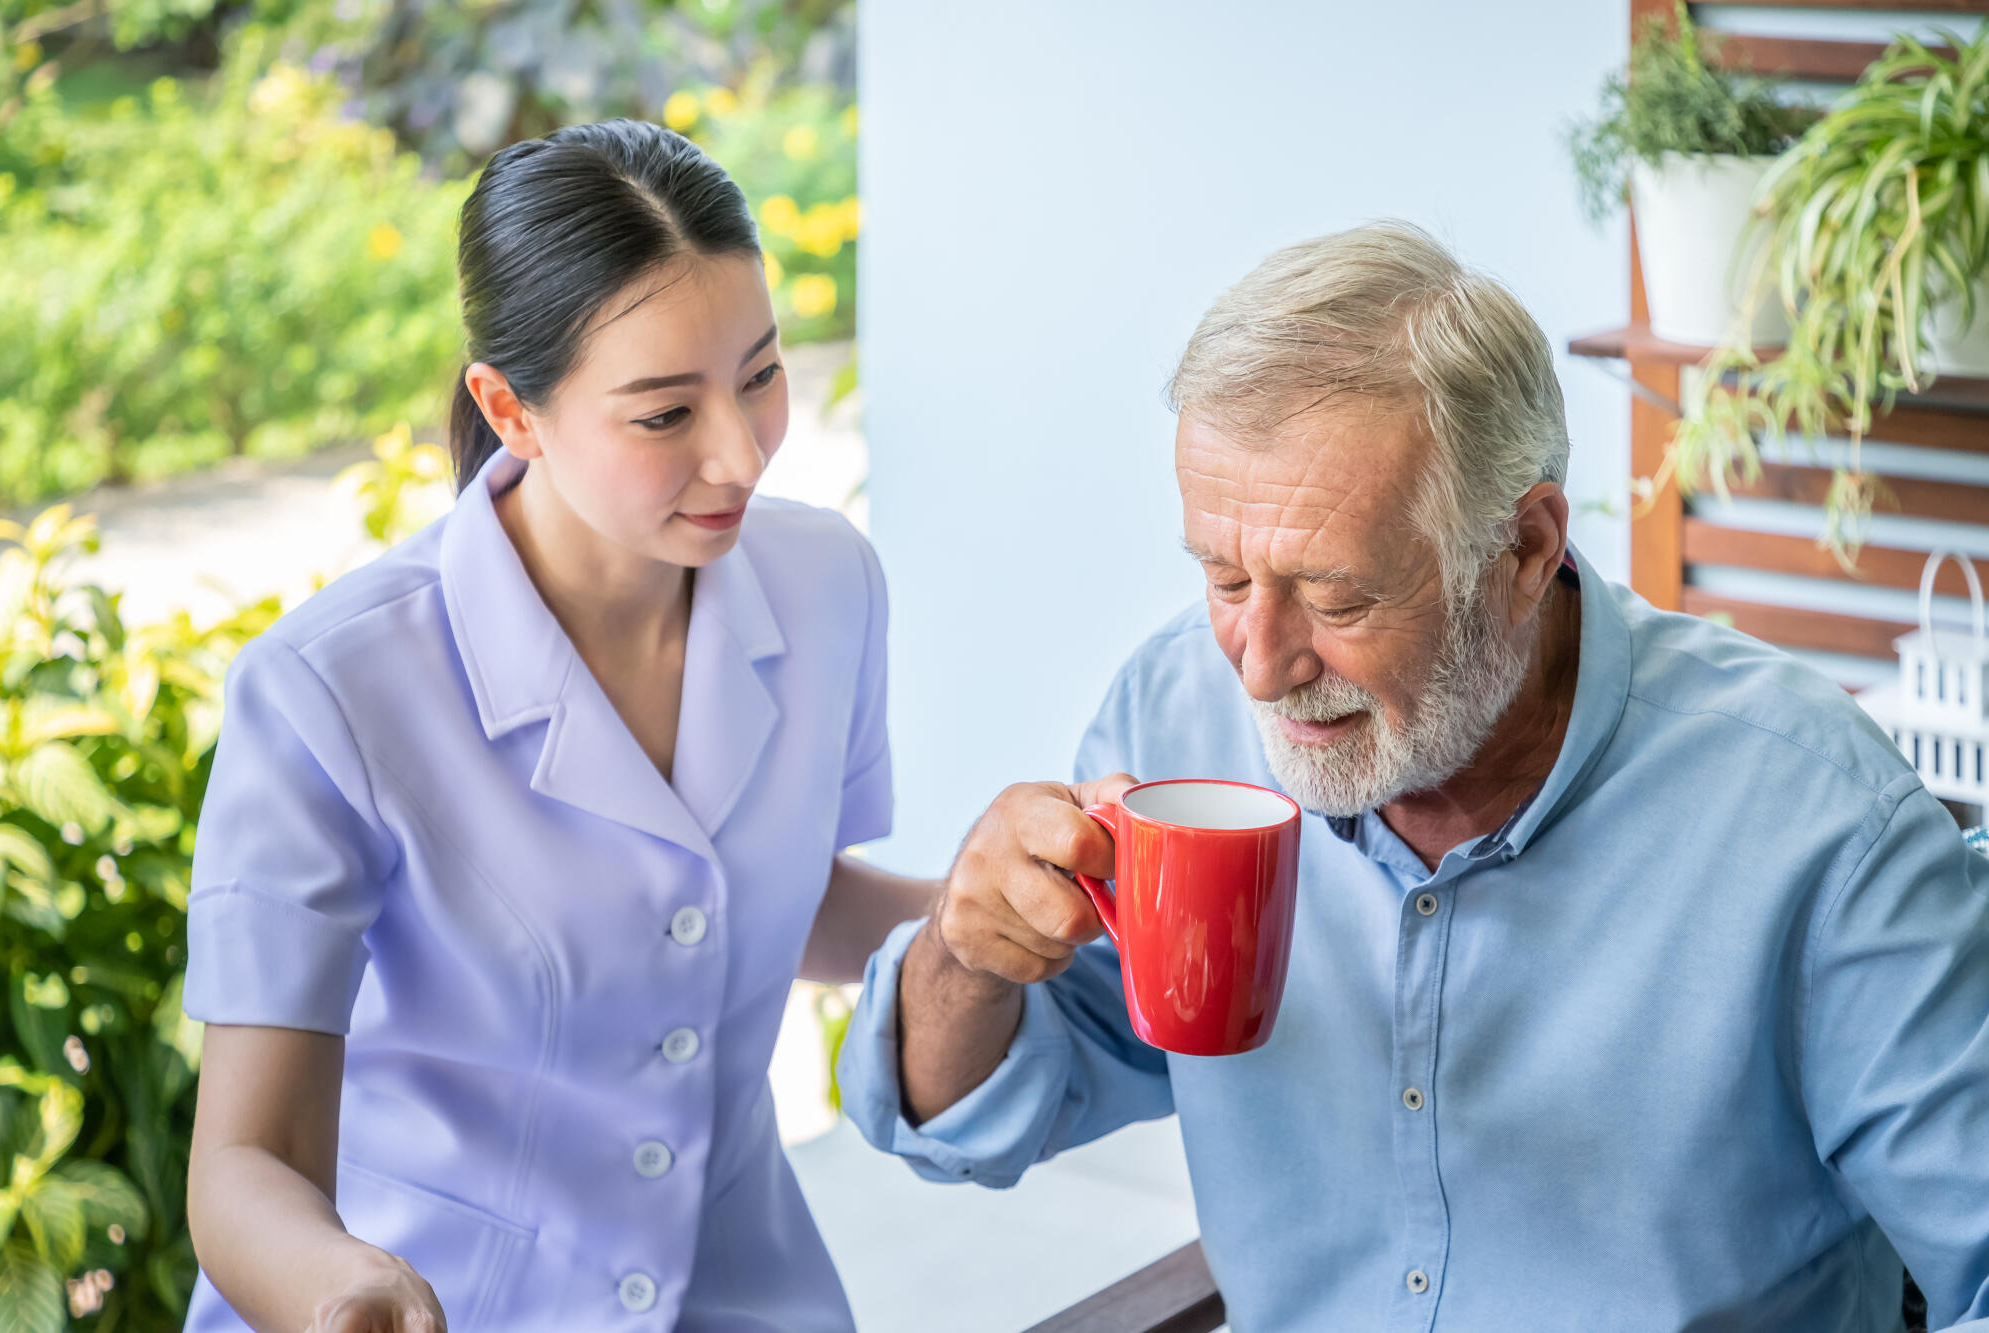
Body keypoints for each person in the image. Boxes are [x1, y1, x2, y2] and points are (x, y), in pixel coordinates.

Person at [838, 221, 1989, 1332]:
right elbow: (954, 1121)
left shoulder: (1818, 826)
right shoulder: (1174, 711)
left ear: (1524, 549)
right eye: (1223, 578)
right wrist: (964, 953)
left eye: (1335, 597)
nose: (1259, 666)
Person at [181, 119, 929, 1333]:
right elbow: (242, 1161)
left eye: (759, 375)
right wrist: (337, 1283)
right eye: (664, 415)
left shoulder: (826, 583)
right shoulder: (329, 691)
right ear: (509, 408)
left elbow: (780, 901)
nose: (740, 457)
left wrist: (1008, 900)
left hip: (743, 1299)